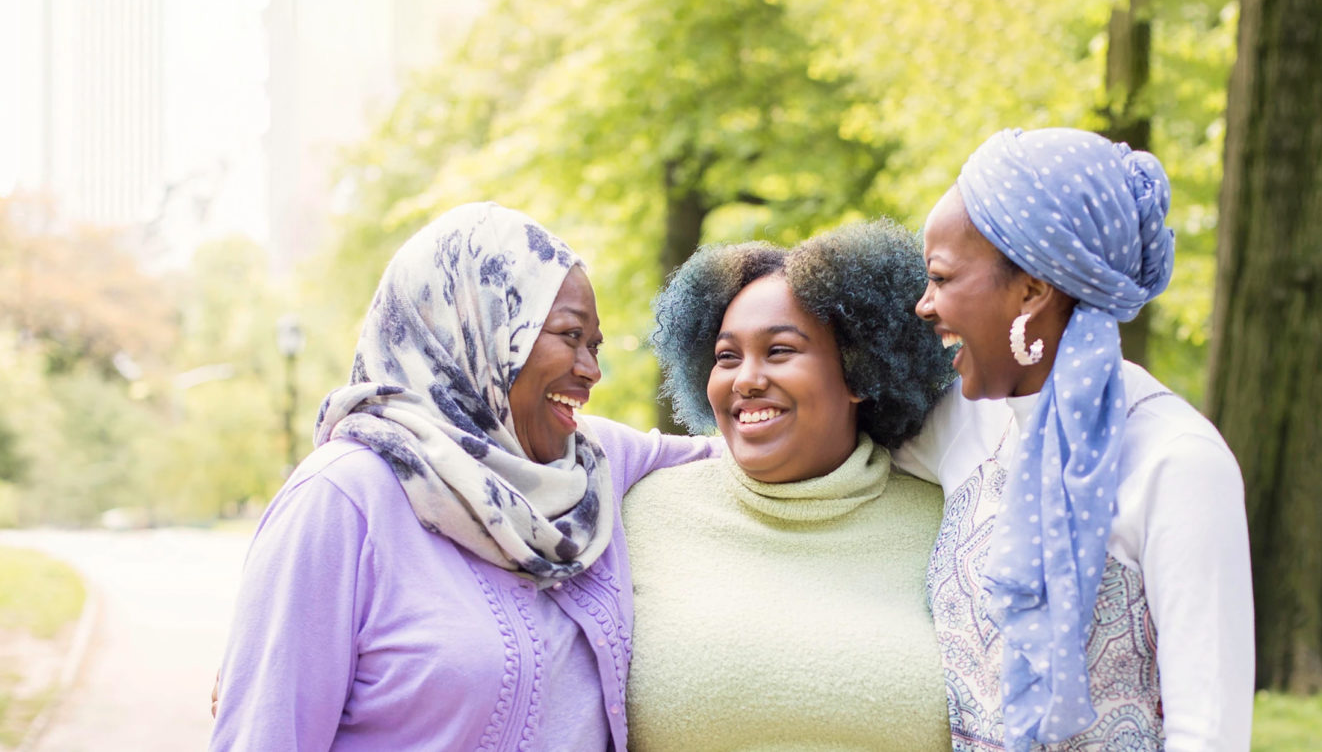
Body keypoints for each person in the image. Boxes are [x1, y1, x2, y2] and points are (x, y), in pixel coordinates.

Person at [210, 203, 713, 751]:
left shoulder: (593, 464)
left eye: (594, 346)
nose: (591, 370)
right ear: (478, 329)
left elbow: (756, 455)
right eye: (569, 336)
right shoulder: (342, 499)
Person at [895, 128, 1254, 751]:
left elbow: (1210, 733)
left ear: (1032, 290)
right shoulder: (965, 421)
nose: (923, 306)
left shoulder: (1179, 463)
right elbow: (828, 448)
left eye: (942, 278)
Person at [621, 221, 957, 750]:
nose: (745, 379)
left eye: (779, 351)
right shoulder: (644, 516)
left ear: (859, 373)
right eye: (726, 357)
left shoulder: (948, 526)